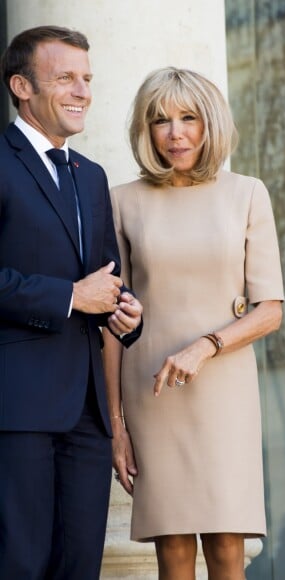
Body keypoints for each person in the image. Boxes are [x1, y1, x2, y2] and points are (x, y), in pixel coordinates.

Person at [102, 67, 284, 580]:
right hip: (151, 393)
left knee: (229, 548)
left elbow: (270, 309)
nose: (175, 132)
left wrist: (205, 345)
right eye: (160, 120)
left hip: (223, 389)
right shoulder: (121, 201)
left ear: (210, 124)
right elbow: (111, 328)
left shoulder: (248, 193)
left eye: (188, 118)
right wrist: (117, 428)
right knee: (173, 553)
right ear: (146, 129)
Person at [0, 25, 143, 579]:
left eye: (86, 78)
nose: (82, 90)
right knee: (20, 562)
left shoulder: (91, 176)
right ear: (22, 86)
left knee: (80, 565)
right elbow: (75, 291)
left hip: (87, 412)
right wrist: (68, 297)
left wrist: (123, 311)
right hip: (18, 407)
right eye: (65, 78)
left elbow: (103, 279)